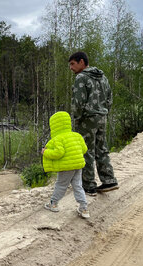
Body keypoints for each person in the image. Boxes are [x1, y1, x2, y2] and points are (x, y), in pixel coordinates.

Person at [68, 51, 119, 196]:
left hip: (87, 119)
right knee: (101, 148)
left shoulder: (81, 77)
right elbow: (110, 97)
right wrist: (104, 111)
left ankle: (89, 185)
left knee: (86, 150)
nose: (71, 67)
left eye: (73, 64)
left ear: (82, 62)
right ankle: (109, 180)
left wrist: (77, 118)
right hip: (102, 117)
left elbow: (78, 101)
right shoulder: (102, 77)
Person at [42, 111, 90, 219]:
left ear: (53, 125)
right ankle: (84, 208)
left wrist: (45, 152)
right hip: (78, 165)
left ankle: (53, 204)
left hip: (66, 167)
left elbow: (58, 153)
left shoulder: (58, 139)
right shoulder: (77, 136)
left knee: (61, 185)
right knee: (78, 185)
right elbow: (84, 149)